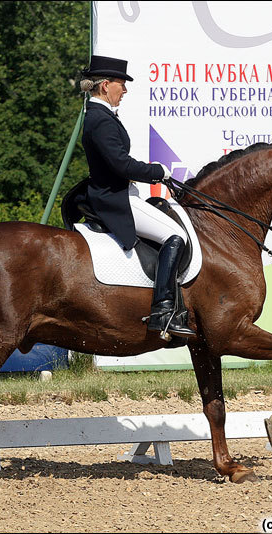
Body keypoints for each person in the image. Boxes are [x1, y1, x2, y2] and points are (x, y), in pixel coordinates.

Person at [79, 55, 196, 339]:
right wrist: (156, 171)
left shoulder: (99, 116)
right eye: (122, 84)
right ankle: (163, 311)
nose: (125, 91)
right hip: (115, 198)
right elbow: (121, 164)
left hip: (118, 192)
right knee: (175, 237)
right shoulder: (100, 119)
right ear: (106, 85)